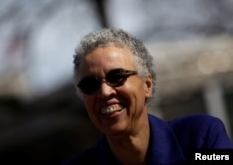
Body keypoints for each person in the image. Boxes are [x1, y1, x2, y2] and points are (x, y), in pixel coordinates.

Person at [64, 28, 233, 165]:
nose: (105, 92)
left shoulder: (200, 139)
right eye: (90, 85)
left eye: (117, 77)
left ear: (147, 85)